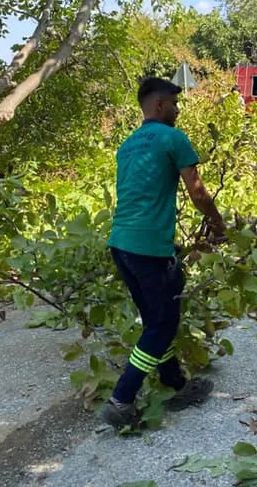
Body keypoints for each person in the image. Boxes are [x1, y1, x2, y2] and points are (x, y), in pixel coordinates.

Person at [99, 77, 226, 431]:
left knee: (156, 320)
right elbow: (198, 192)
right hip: (150, 248)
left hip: (121, 244)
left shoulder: (126, 146)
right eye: (174, 102)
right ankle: (121, 399)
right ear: (159, 105)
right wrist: (218, 226)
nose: (178, 109)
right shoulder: (173, 137)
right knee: (163, 324)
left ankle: (177, 386)